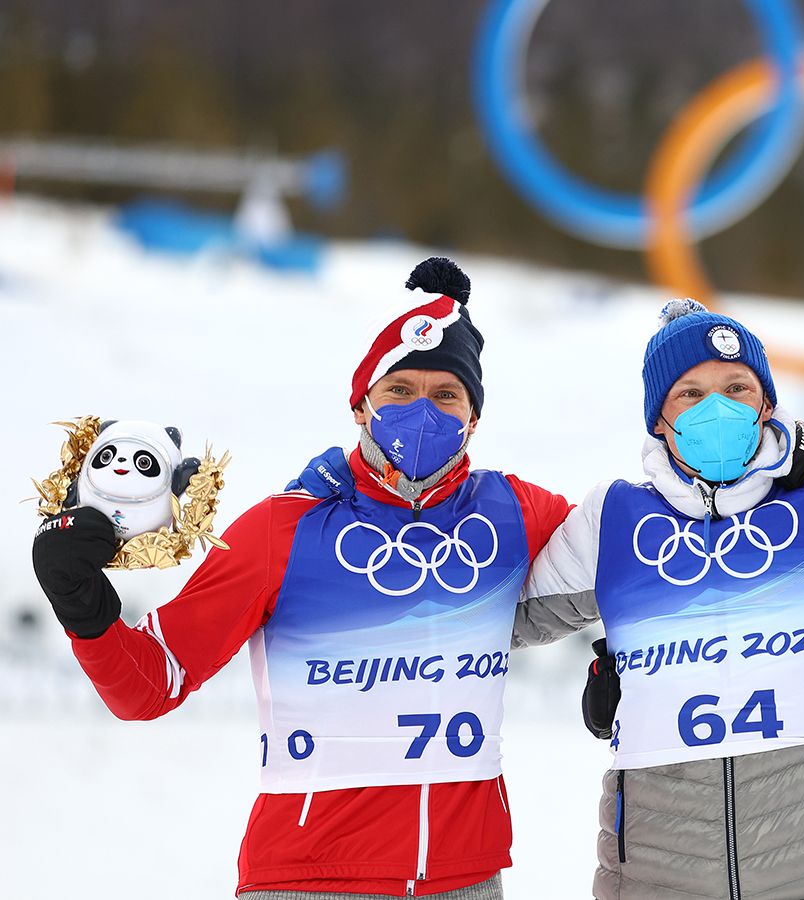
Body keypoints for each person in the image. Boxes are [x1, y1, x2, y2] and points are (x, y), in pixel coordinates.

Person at [30, 259, 572, 900]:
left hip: (465, 878)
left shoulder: (514, 511)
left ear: (473, 416)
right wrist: (79, 601)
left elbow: (622, 560)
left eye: (445, 394)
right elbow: (150, 684)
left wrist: (615, 655)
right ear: (362, 406)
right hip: (308, 877)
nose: (421, 410)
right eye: (399, 390)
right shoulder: (279, 531)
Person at [513, 299, 804, 900]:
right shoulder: (613, 517)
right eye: (690, 393)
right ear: (658, 418)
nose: (718, 407)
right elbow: (485, 616)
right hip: (651, 876)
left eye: (737, 386)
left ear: (767, 405)